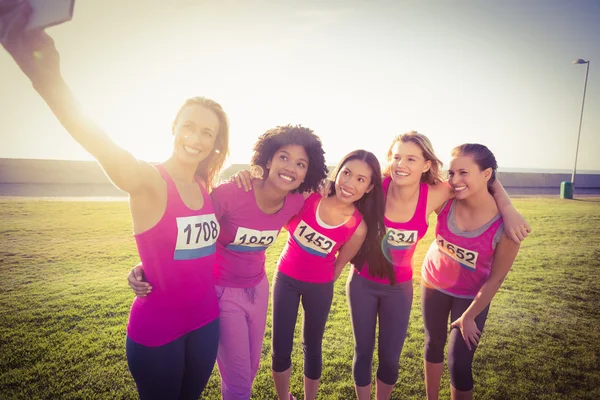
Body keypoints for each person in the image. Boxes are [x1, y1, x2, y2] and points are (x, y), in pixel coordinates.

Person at [0, 5, 229, 399]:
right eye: (189, 126)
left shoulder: (207, 186)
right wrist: (45, 74)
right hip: (158, 330)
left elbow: (182, 249)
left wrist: (145, 264)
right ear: (173, 128)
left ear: (215, 143)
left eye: (207, 132)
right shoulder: (146, 179)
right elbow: (96, 141)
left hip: (207, 321)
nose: (196, 137)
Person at [129, 125, 329, 400]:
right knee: (238, 381)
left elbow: (332, 201)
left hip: (258, 289)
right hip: (222, 293)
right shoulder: (231, 193)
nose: (291, 168)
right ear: (268, 159)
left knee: (250, 369)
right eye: (283, 157)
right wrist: (144, 266)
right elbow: (185, 229)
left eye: (301, 164)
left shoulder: (295, 201)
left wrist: (326, 184)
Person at [346, 132, 531, 400]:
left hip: (432, 292)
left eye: (411, 158)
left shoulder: (447, 197)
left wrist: (509, 208)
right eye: (397, 157)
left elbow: (485, 183)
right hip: (399, 282)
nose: (402, 164)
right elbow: (349, 185)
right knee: (390, 349)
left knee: (434, 360)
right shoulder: (390, 188)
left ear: (426, 164)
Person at [270, 150, 391, 400]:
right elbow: (283, 219)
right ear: (337, 172)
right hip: (285, 279)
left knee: (312, 347)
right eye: (346, 173)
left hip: (320, 288)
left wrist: (319, 285)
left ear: (369, 188)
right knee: (280, 346)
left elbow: (339, 266)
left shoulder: (358, 227)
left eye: (361, 179)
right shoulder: (310, 197)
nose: (349, 183)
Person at [421, 143, 521, 400]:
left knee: (459, 362)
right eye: (451, 173)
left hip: (473, 296)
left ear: (486, 174)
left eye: (464, 172)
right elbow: (412, 182)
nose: (455, 180)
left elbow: (497, 278)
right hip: (434, 283)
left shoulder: (507, 228)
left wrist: (469, 316)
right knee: (433, 344)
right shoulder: (445, 200)